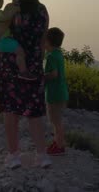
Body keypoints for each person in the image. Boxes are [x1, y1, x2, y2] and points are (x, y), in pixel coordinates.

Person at [0, 0, 52, 169]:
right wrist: (36, 62)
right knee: (34, 114)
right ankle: (42, 156)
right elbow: (43, 42)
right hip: (32, 66)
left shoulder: (11, 9)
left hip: (10, 66)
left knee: (10, 113)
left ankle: (14, 155)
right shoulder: (43, 12)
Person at [0, 0, 36, 80]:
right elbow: (4, 18)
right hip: (1, 39)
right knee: (20, 51)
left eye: (1, 0)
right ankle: (23, 71)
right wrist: (15, 10)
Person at [44, 27, 69, 156]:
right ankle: (57, 142)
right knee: (56, 120)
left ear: (48, 41)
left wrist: (41, 78)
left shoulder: (51, 57)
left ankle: (59, 146)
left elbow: (53, 74)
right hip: (61, 92)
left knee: (55, 121)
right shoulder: (58, 54)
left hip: (54, 93)